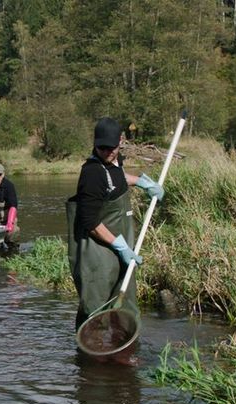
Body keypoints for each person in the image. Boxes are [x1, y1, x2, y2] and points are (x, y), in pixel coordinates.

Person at [67, 117, 164, 331]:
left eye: (111, 147)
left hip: (119, 247)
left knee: (125, 304)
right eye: (102, 148)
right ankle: (91, 359)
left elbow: (117, 177)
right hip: (97, 251)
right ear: (95, 144)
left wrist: (141, 182)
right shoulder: (92, 173)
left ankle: (124, 354)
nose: (107, 152)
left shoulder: (115, 161)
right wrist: (119, 246)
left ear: (120, 141)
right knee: (96, 309)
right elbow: (90, 222)